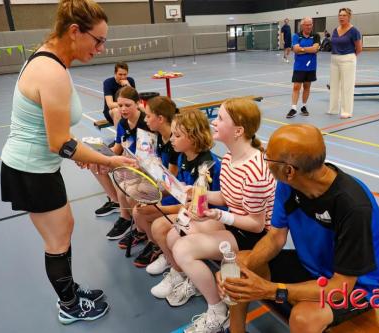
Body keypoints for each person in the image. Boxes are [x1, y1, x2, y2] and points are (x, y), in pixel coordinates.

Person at [0, 0, 134, 324]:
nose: (101, 48)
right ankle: (69, 305)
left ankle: (69, 291)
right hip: (31, 169)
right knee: (57, 239)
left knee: (64, 230)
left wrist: (76, 153)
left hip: (39, 165)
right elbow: (59, 142)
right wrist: (110, 162)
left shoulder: (51, 58)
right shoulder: (51, 71)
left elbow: (57, 134)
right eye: (98, 40)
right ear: (75, 31)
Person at [218, 124, 379, 333]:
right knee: (237, 263)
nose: (264, 161)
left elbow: (338, 288)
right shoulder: (289, 184)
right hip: (313, 268)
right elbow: (275, 238)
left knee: (304, 318)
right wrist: (239, 272)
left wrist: (271, 290)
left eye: (268, 158)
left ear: (289, 170)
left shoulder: (354, 207)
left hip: (358, 287)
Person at [169, 98, 276, 333]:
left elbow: (257, 226)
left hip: (252, 236)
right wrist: (198, 194)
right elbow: (227, 198)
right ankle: (196, 280)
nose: (213, 122)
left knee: (182, 249)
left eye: (220, 118)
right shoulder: (229, 157)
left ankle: (218, 312)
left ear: (238, 131)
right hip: (235, 226)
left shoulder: (256, 170)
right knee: (176, 229)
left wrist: (218, 215)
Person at [148, 109, 224, 280]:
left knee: (158, 226)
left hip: (208, 215)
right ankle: (168, 256)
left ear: (193, 137)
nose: (172, 139)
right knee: (144, 211)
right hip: (189, 205)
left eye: (177, 136)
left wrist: (160, 209)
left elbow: (199, 205)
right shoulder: (183, 156)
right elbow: (181, 189)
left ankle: (179, 272)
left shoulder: (207, 166)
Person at [117, 96, 180, 268]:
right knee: (131, 190)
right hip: (165, 188)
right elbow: (156, 167)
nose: (145, 120)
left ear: (160, 119)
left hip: (176, 195)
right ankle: (147, 236)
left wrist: (151, 193)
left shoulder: (176, 144)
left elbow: (172, 183)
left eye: (148, 116)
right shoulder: (158, 137)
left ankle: (157, 245)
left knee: (138, 206)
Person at [95, 86, 151, 239]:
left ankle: (129, 219)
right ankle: (119, 207)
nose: (123, 109)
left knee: (123, 181)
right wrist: (101, 155)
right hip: (130, 162)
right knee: (95, 164)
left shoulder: (146, 123)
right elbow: (118, 148)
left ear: (138, 103)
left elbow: (151, 157)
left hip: (145, 166)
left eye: (128, 105)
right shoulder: (122, 124)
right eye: (120, 106)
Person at [328, 8, 362, 119]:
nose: (341, 17)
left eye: (344, 15)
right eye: (340, 15)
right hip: (334, 59)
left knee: (347, 86)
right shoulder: (335, 30)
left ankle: (347, 111)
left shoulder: (354, 31)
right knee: (334, 85)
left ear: (349, 17)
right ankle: (333, 109)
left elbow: (359, 48)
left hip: (348, 59)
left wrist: (350, 58)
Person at [286, 17, 320, 119]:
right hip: (299, 66)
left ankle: (304, 107)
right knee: (296, 87)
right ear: (302, 25)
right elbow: (295, 50)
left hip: (311, 66)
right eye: (306, 25)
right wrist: (309, 50)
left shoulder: (316, 36)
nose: (309, 27)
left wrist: (302, 49)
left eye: (310, 24)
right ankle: (293, 108)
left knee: (307, 87)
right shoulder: (296, 36)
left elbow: (315, 49)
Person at [102, 61, 136, 127]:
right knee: (116, 111)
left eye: (125, 74)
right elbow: (110, 105)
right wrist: (124, 105)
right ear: (115, 73)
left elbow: (135, 100)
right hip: (112, 111)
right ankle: (119, 136)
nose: (123, 77)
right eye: (120, 74)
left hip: (127, 108)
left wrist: (128, 86)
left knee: (140, 108)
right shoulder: (108, 83)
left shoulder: (130, 80)